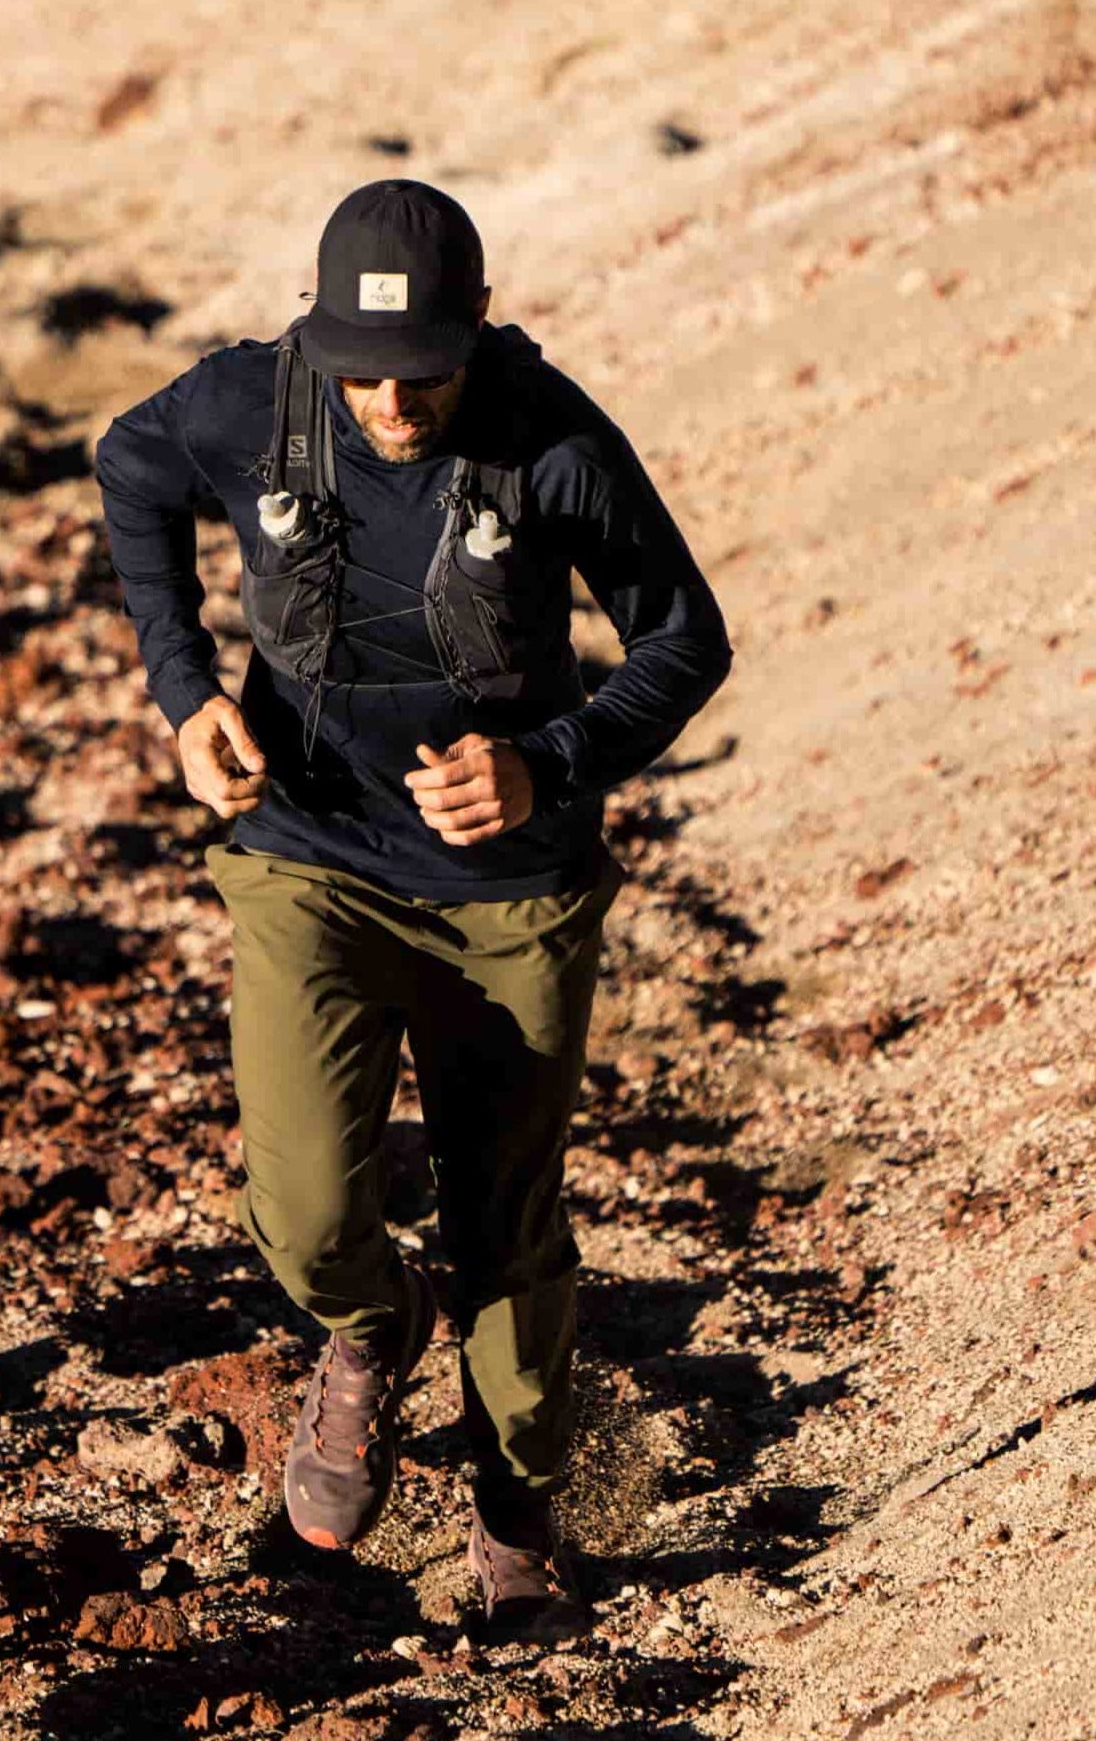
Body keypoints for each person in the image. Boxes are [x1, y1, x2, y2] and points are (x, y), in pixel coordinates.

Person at [94, 180, 732, 1642]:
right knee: (313, 1207)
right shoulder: (250, 405)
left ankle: (516, 1523)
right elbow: (131, 471)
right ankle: (372, 1327)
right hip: (308, 853)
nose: (389, 400)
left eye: (423, 370)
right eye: (362, 370)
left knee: (506, 1225)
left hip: (513, 895)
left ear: (481, 331)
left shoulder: (555, 440)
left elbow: (685, 641)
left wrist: (547, 766)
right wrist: (185, 694)